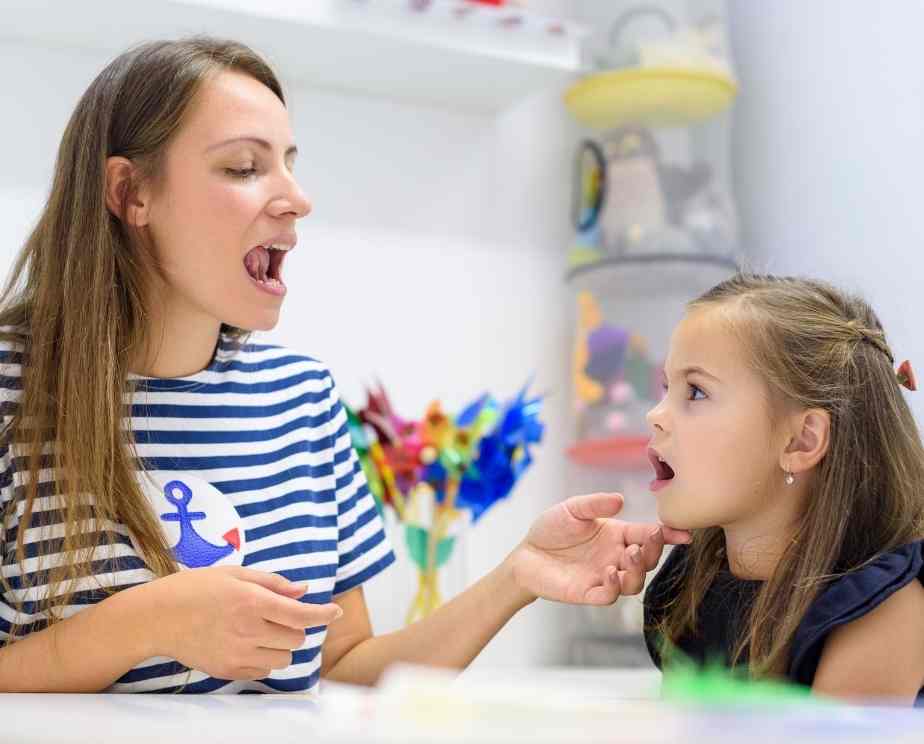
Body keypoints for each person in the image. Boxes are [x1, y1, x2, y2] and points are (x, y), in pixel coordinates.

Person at [0, 37, 687, 694]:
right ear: (130, 194)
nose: (297, 197)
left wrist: (521, 576)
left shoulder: (301, 399)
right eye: (244, 167)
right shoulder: (11, 386)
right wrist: (144, 622)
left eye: (289, 163)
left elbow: (346, 668)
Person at [643, 274, 924, 705]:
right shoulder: (689, 587)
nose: (655, 415)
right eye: (667, 388)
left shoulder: (881, 612)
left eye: (696, 391)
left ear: (801, 441)